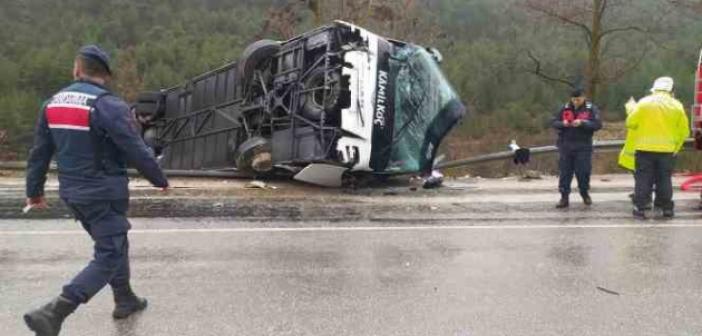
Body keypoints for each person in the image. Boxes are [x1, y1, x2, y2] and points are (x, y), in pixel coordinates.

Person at [23, 45, 169, 336]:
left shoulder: (52, 104)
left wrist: (34, 191)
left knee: (115, 242)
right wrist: (159, 179)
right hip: (104, 193)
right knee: (109, 253)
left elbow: (39, 153)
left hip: (74, 194)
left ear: (77, 69)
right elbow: (135, 149)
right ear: (105, 75)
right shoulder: (108, 105)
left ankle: (125, 299)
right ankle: (55, 311)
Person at [627, 76, 689, 219]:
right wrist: (676, 147)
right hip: (666, 151)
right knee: (664, 180)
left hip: (644, 149)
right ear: (671, 90)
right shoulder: (677, 105)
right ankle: (667, 209)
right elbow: (684, 131)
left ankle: (639, 209)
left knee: (643, 179)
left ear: (654, 88)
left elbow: (630, 123)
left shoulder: (643, 103)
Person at [551, 89, 603, 208]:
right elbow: (553, 122)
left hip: (583, 146)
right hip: (565, 145)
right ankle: (564, 197)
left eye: (578, 99)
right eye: (573, 99)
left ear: (583, 97)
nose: (575, 102)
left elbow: (598, 124)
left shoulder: (590, 108)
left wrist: (583, 123)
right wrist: (562, 123)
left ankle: (584, 193)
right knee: (565, 173)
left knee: (583, 172)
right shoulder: (564, 108)